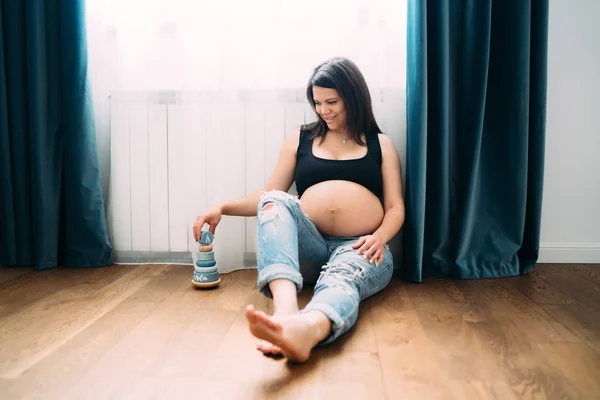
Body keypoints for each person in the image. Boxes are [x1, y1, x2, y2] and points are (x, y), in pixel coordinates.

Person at [193, 57, 405, 363]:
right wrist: (222, 207)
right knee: (275, 199)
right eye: (317, 103)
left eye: (332, 102)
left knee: (343, 280)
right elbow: (269, 197)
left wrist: (380, 236)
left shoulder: (380, 144)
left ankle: (308, 329)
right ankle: (286, 312)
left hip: (360, 246)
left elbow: (396, 207)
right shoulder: (301, 138)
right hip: (308, 245)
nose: (323, 110)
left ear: (353, 97)